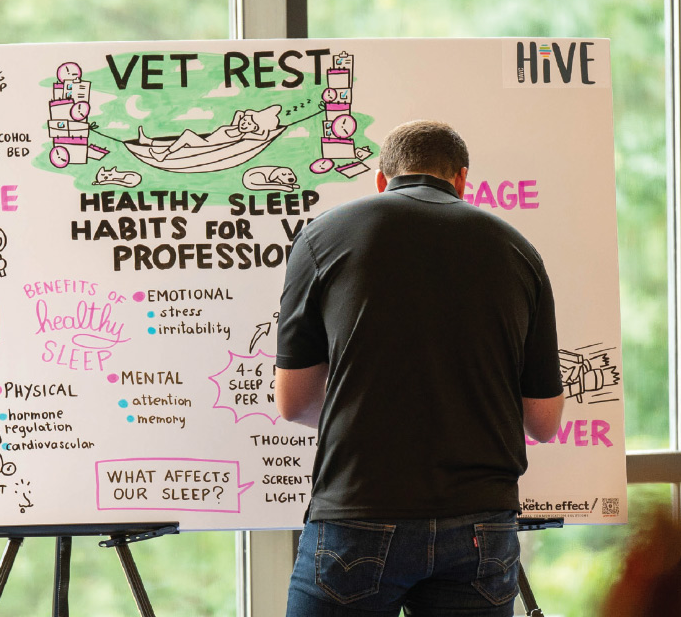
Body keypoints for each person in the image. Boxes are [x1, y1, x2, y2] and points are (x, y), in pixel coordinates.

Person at [275, 120, 565, 616]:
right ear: (462, 180)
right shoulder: (519, 252)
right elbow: (543, 421)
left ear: (381, 180)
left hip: (359, 510)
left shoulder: (322, 237)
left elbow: (293, 403)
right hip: (481, 525)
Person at [136, 104, 281, 161]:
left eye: (249, 124)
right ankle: (148, 142)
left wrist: (264, 125)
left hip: (207, 147)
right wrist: (250, 115)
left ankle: (163, 155)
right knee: (179, 140)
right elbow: (238, 112)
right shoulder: (234, 126)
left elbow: (263, 135)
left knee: (186, 135)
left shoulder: (243, 135)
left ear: (253, 129)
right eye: (245, 120)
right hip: (204, 142)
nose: (244, 124)